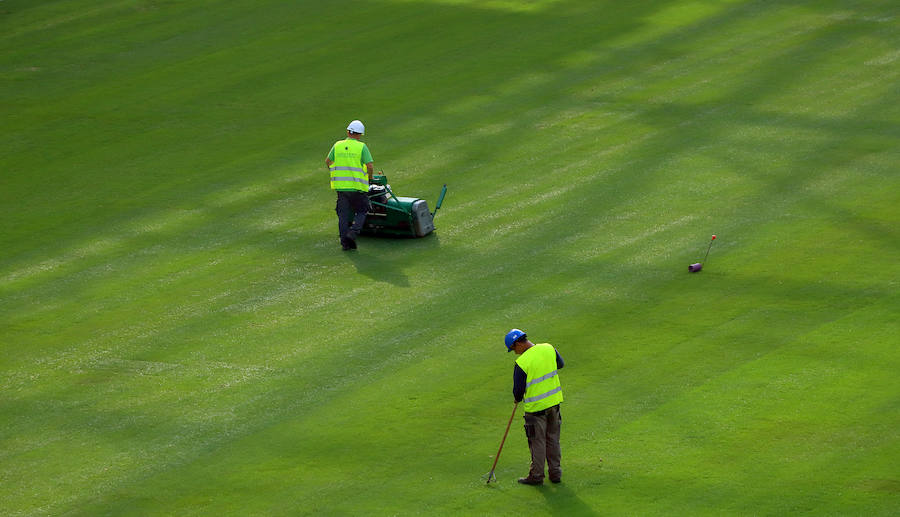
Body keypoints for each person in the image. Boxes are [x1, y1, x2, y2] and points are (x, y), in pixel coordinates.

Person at [505, 328, 565, 485]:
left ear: (518, 344)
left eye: (513, 349)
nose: (515, 353)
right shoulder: (548, 348)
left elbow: (518, 391)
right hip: (554, 404)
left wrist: (517, 398)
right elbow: (560, 364)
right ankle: (555, 473)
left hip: (535, 409)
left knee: (537, 442)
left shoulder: (522, 363)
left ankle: (537, 476)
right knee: (553, 439)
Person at [325, 120, 374, 250]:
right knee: (362, 211)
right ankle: (352, 233)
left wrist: (335, 173)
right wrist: (370, 178)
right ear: (359, 135)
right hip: (357, 187)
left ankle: (344, 243)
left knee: (343, 215)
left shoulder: (337, 145)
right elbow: (369, 166)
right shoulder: (361, 147)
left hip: (341, 188)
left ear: (348, 132)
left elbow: (328, 161)